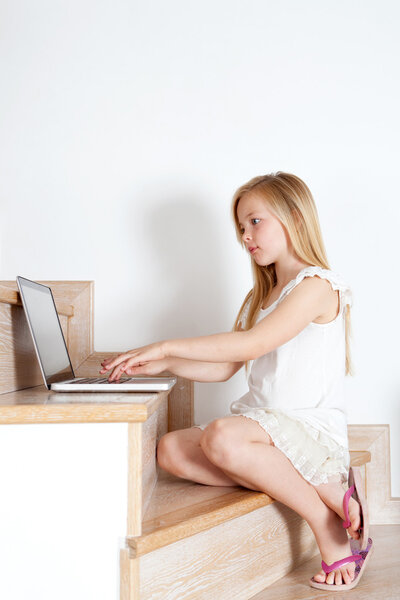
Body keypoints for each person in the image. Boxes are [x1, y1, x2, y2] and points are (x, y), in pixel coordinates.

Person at [99, 171, 369, 589]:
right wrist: (163, 364)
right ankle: (319, 483)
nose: (246, 235)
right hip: (265, 427)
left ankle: (325, 523)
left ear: (294, 217)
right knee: (170, 451)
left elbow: (250, 344)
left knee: (223, 437)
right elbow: (224, 368)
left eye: (255, 221)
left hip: (307, 428)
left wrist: (165, 345)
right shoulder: (263, 295)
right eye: (242, 228)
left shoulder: (317, 285)